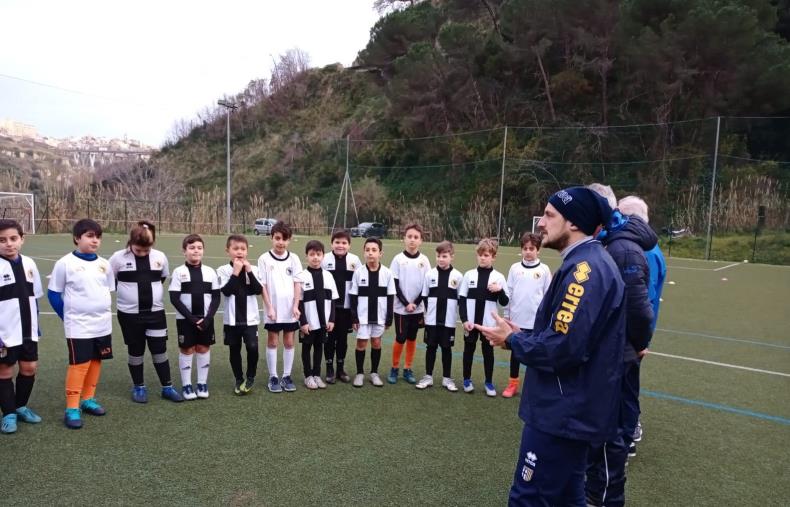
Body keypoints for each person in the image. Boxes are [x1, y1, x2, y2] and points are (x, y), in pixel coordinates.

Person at [476, 187, 625, 506]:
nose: (541, 222)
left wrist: (514, 340)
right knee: (569, 496)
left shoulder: (584, 271)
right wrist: (524, 335)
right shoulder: (587, 262)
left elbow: (563, 348)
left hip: (562, 411)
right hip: (573, 408)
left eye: (549, 215)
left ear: (574, 223)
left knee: (528, 496)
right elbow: (565, 334)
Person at [585, 184, 656, 507]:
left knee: (610, 433)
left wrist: (637, 343)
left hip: (619, 353)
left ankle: (603, 497)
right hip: (613, 351)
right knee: (605, 427)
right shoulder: (612, 243)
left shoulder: (623, 249)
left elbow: (639, 307)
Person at [48, 219, 116, 429]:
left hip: (102, 323)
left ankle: (88, 399)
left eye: (97, 236)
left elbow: (108, 290)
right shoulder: (65, 263)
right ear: (77, 238)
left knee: (96, 360)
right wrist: (66, 317)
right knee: (79, 365)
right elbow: (53, 293)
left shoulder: (105, 264)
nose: (94, 240)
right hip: (78, 325)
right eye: (89, 236)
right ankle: (72, 407)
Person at [109, 221, 183, 404]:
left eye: (146, 250)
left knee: (160, 349)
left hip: (155, 314)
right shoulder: (117, 258)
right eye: (138, 250)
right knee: (136, 350)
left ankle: (167, 386)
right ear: (130, 242)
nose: (142, 253)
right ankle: (139, 386)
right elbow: (111, 280)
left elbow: (162, 278)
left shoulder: (160, 257)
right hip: (129, 315)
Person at [616, 195, 667, 448]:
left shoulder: (643, 251)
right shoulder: (647, 248)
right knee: (625, 383)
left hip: (632, 335)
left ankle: (628, 434)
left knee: (626, 384)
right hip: (636, 333)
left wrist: (640, 340)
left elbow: (642, 300)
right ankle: (627, 427)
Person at [0, 219, 43, 433]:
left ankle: (20, 406)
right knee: (4, 372)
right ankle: (8, 414)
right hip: (4, 333)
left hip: (28, 331)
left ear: (22, 240)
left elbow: (35, 297)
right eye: (2, 240)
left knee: (29, 368)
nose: (8, 243)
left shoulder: (30, 264)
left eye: (13, 238)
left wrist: (38, 325)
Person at [169, 234, 221, 400]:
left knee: (203, 348)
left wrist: (207, 319)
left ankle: (201, 383)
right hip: (186, 320)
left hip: (206, 320)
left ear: (203, 250)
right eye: (191, 248)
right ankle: (186, 385)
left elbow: (216, 297)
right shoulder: (179, 272)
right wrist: (192, 319)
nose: (195, 251)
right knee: (187, 349)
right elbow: (174, 298)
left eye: (199, 248)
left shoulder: (210, 272)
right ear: (184, 251)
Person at [501, 232, 552, 399]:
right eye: (525, 249)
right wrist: (507, 316)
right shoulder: (515, 268)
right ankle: (512, 384)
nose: (528, 252)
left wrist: (545, 320)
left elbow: (548, 297)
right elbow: (509, 292)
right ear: (521, 250)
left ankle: (533, 386)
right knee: (516, 354)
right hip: (516, 321)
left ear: (538, 250)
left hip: (536, 322)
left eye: (532, 249)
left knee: (535, 354)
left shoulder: (544, 270)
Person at [459, 238, 509, 397]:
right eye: (480, 254)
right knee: (469, 350)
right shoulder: (469, 275)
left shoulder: (499, 277)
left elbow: (504, 302)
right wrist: (465, 320)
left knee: (488, 352)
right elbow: (462, 299)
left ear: (493, 257)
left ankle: (489, 382)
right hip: (471, 324)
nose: (483, 257)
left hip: (489, 325)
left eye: (486, 255)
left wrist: (499, 290)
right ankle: (466, 380)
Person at [258, 222, 303, 393]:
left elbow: (297, 283)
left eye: (285, 239)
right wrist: (269, 307)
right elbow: (263, 285)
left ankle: (286, 375)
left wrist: (296, 306)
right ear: (271, 238)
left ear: (289, 240)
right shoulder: (264, 259)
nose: (280, 242)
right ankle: (273, 376)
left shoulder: (294, 258)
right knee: (273, 341)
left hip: (290, 310)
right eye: (277, 238)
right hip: (274, 310)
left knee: (289, 342)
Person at [216, 234, 263, 395]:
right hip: (232, 320)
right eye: (235, 248)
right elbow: (226, 291)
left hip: (251, 320)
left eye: (243, 249)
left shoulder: (254, 269)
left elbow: (258, 290)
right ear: (228, 250)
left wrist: (248, 271)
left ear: (247, 251)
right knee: (234, 350)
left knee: (253, 348)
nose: (239, 252)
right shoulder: (223, 270)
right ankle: (238, 378)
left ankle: (250, 377)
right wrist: (235, 273)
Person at [415, 240, 463, 392]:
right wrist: (429, 314)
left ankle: (447, 379)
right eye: (438, 256)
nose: (441, 259)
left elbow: (460, 300)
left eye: (444, 256)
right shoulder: (430, 274)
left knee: (446, 349)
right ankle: (428, 376)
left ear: (452, 257)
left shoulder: (457, 276)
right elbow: (425, 296)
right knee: (431, 347)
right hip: (432, 321)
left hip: (449, 322)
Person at [349, 237, 395, 388]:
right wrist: (354, 317)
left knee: (376, 342)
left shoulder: (387, 273)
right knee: (361, 343)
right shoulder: (358, 273)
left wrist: (389, 318)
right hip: (362, 317)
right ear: (363, 252)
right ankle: (360, 373)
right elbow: (353, 297)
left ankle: (374, 373)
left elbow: (390, 297)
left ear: (380, 253)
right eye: (367, 250)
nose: (370, 253)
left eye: (374, 250)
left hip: (380, 317)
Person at [388, 223, 431, 384]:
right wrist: (406, 303)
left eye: (416, 237)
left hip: (417, 308)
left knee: (412, 338)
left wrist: (416, 303)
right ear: (404, 239)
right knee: (400, 338)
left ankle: (407, 368)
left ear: (421, 240)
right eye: (409, 237)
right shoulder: (398, 259)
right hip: (401, 308)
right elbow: (395, 285)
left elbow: (427, 285)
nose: (412, 240)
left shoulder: (424, 260)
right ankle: (394, 367)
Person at [297, 240, 338, 389]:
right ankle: (308, 376)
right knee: (307, 347)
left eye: (318, 254)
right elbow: (299, 302)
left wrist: (332, 319)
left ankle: (316, 374)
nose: (315, 257)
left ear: (323, 256)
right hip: (308, 322)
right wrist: (303, 322)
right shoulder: (301, 276)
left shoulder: (328, 276)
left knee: (319, 347)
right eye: (312, 254)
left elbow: (332, 299)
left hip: (323, 322)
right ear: (306, 256)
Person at [321, 229, 361, 384]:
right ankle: (330, 368)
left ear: (349, 245)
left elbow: (357, 286)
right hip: (329, 308)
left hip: (346, 308)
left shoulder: (354, 260)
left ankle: (341, 368)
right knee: (329, 339)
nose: (340, 245)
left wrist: (355, 311)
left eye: (344, 243)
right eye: (337, 242)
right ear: (331, 244)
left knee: (343, 339)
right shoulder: (324, 259)